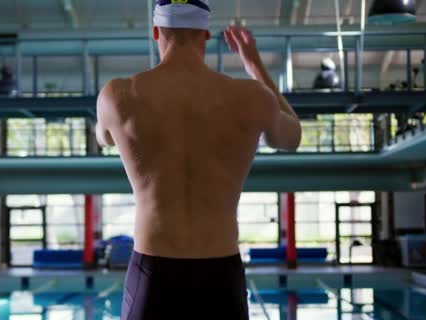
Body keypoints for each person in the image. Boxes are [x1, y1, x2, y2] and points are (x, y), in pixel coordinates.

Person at [96, 1, 301, 318]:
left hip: (153, 272)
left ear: (155, 31)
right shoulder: (252, 97)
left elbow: (104, 137)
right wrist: (253, 64)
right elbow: (292, 136)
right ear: (206, 33)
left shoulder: (118, 95)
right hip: (221, 275)